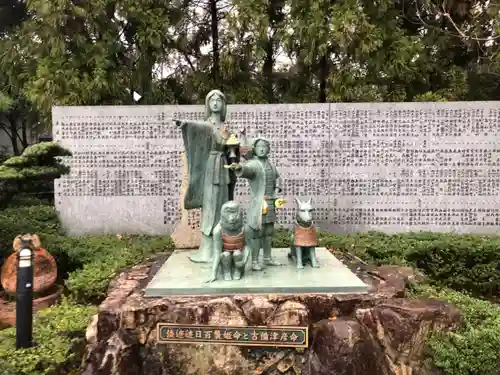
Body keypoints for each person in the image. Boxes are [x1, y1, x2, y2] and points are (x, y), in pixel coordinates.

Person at [175, 90, 236, 263]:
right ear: (207, 104)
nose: (215, 103)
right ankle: (207, 250)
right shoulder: (206, 125)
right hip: (211, 169)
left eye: (219, 100)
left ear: (224, 105)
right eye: (212, 100)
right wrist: (184, 123)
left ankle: (225, 247)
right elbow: (196, 126)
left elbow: (233, 149)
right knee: (210, 208)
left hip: (224, 169)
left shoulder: (225, 127)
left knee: (223, 205)